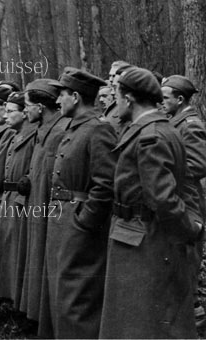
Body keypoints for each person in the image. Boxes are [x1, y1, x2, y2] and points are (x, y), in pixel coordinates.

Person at [100, 67, 203, 338]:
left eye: (117, 95)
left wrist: (191, 229)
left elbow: (164, 198)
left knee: (141, 324)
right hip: (140, 236)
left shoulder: (151, 136)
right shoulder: (158, 128)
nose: (115, 103)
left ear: (129, 98)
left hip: (143, 240)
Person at [44, 68, 117, 338]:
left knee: (77, 296)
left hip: (79, 224)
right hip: (63, 219)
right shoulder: (75, 127)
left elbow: (106, 184)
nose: (57, 101)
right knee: (62, 291)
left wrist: (84, 222)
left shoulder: (98, 129)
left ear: (75, 97)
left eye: (61, 95)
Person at [0, 90, 36, 323]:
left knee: (16, 254)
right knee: (0, 251)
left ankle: (18, 306)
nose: (6, 114)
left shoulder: (34, 137)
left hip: (22, 203)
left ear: (25, 113)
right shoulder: (12, 135)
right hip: (5, 200)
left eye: (11, 111)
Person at [19, 79, 70, 336]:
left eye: (27, 105)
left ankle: (46, 321)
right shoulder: (42, 129)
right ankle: (36, 315)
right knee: (36, 258)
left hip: (51, 210)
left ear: (40, 107)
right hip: (36, 205)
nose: (24, 110)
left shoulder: (60, 131)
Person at [161, 75, 206, 328]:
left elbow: (199, 164)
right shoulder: (174, 121)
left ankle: (194, 314)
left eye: (165, 98)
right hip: (178, 195)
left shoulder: (190, 125)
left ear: (180, 99)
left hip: (188, 200)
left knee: (187, 258)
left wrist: (167, 169)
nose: (161, 102)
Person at [101, 60, 133, 135]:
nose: (111, 79)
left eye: (114, 75)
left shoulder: (127, 104)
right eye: (110, 76)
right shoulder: (114, 103)